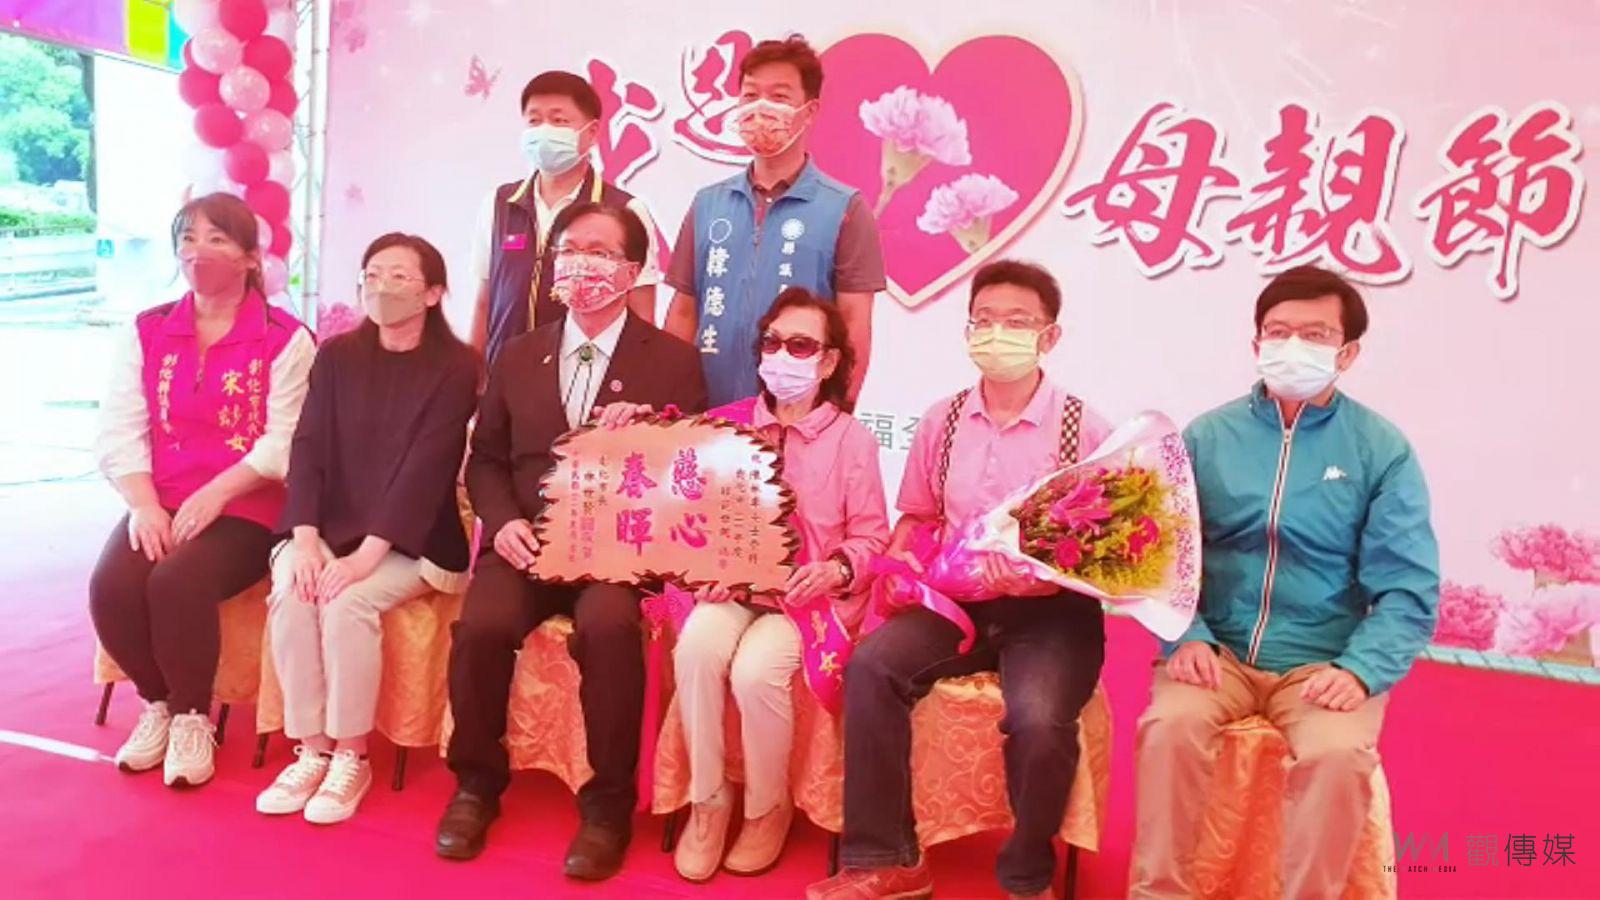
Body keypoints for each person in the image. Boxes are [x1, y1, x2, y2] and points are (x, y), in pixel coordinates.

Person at [1129, 265, 1439, 900]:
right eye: (1278, 331)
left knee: (1337, 757)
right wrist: (1186, 636)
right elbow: (1159, 551)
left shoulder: (1381, 450)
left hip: (1322, 663)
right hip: (1217, 653)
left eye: (1315, 334)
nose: (1293, 346)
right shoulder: (1207, 437)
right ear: (1256, 343)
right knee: (1169, 729)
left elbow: (1408, 589)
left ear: (1347, 353)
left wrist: (1359, 671)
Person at [809, 260, 1112, 900]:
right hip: (958, 603)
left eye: (1017, 321)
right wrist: (904, 562)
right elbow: (917, 516)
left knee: (1038, 718)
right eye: (985, 320)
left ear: (1050, 336)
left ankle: (1027, 873)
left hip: (1052, 613)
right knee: (872, 667)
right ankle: (887, 858)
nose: (998, 333)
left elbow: (1105, 553)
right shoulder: (941, 420)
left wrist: (1044, 574)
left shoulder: (1086, 429)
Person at [436, 202, 707, 879]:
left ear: (632, 271)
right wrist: (503, 522)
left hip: (616, 548)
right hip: (527, 538)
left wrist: (649, 432)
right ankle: (475, 784)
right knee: (481, 627)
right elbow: (486, 459)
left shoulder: (673, 362)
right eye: (570, 249)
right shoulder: (518, 353)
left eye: (599, 251)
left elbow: (690, 470)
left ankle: (608, 806)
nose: (581, 263)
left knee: (610, 628)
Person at [89, 192, 313, 788]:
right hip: (163, 497)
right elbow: (120, 426)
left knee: (177, 581)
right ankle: (158, 703)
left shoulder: (285, 338)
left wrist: (217, 493)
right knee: (112, 585)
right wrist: (143, 505)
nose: (198, 252)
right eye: (188, 238)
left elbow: (285, 440)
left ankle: (194, 718)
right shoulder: (149, 329)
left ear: (250, 257)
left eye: (217, 239)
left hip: (247, 505)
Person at [255, 234, 479, 824]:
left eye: (400, 277)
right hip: (324, 528)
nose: (383, 288)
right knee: (294, 589)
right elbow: (308, 447)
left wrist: (364, 558)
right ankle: (312, 748)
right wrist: (306, 540)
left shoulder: (458, 366)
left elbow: (426, 470)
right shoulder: (336, 356)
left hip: (412, 539)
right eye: (373, 274)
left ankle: (351, 754)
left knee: (347, 601)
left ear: (432, 293)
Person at [671, 288, 890, 882]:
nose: (782, 356)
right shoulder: (727, 426)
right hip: (734, 592)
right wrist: (707, 566)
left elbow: (872, 538)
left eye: (800, 345)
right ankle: (708, 802)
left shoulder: (851, 440)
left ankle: (767, 808)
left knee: (755, 671)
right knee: (695, 649)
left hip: (805, 605)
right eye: (773, 342)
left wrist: (835, 568)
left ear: (828, 361)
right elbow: (694, 520)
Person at [663, 35, 884, 408]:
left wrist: (837, 415)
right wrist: (669, 406)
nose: (761, 109)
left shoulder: (845, 208)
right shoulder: (708, 203)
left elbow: (854, 323)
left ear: (809, 111)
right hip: (703, 415)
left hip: (797, 417)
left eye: (779, 97)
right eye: (750, 96)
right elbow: (683, 311)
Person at [469, 70, 664, 366]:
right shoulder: (499, 204)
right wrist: (475, 375)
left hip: (586, 374)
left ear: (592, 132)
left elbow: (641, 314)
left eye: (559, 121)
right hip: (505, 374)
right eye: (535, 120)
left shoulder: (624, 210)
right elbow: (485, 302)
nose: (544, 131)